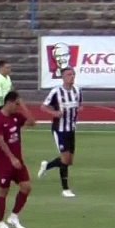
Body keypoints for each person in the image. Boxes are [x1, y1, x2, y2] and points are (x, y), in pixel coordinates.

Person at [0, 90, 35, 228]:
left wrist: (23, 106)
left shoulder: (16, 116)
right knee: (4, 190)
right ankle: (0, 222)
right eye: (16, 104)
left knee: (26, 187)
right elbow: (0, 141)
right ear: (9, 103)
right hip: (4, 161)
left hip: (18, 160)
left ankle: (14, 216)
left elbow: (32, 122)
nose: (17, 107)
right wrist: (12, 158)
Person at [38, 66, 82, 197]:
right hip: (59, 129)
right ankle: (65, 189)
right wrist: (54, 113)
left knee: (69, 161)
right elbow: (43, 106)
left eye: (73, 75)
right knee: (65, 159)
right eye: (69, 75)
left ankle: (47, 166)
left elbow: (79, 105)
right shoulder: (56, 92)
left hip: (71, 129)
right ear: (63, 77)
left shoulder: (78, 91)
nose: (71, 77)